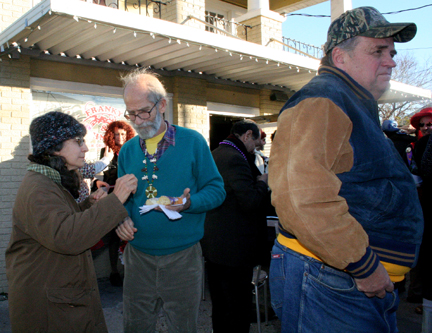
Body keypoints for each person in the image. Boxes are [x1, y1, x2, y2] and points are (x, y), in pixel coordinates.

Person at [268, 7, 423, 332]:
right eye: (378, 51)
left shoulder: (348, 102)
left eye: (392, 52)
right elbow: (301, 200)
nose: (391, 61)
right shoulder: (323, 100)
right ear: (340, 56)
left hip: (343, 282)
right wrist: (364, 266)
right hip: (333, 283)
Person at [114, 69, 226, 333]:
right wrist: (121, 219)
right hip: (137, 258)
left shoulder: (193, 142)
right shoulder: (128, 151)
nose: (137, 121)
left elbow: (217, 190)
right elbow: (124, 200)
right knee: (136, 326)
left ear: (162, 105)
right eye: (131, 113)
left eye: (144, 111)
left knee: (183, 327)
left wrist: (189, 203)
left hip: (183, 258)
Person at [5, 111, 137, 332]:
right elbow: (68, 237)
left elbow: (62, 223)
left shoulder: (50, 181)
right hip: (49, 309)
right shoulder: (39, 188)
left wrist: (89, 206)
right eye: (78, 141)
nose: (85, 148)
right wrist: (116, 199)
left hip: (59, 298)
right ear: (55, 147)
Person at [201, 119, 269, 332]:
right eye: (255, 142)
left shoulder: (217, 153)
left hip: (217, 245)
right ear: (247, 135)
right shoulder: (234, 158)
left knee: (221, 305)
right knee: (237, 307)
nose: (255, 148)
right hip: (234, 248)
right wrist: (262, 183)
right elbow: (249, 201)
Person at [95, 120, 135, 286]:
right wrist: (97, 184)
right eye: (117, 134)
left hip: (131, 197)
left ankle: (132, 271)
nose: (120, 137)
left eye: (123, 134)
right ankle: (114, 271)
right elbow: (99, 174)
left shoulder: (133, 151)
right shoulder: (106, 152)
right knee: (113, 237)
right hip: (114, 197)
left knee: (131, 233)